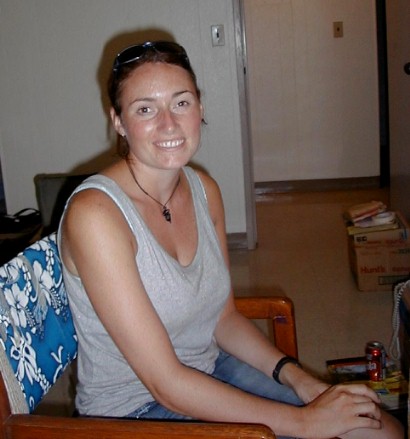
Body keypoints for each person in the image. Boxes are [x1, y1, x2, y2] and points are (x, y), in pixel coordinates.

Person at [58, 40, 403, 439]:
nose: (169, 124)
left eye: (181, 103)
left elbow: (224, 320)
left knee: (382, 430)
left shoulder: (204, 190)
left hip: (209, 369)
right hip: (133, 413)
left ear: (200, 108)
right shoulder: (96, 215)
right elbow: (165, 384)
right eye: (145, 109)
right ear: (118, 121)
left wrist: (299, 379)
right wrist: (305, 421)